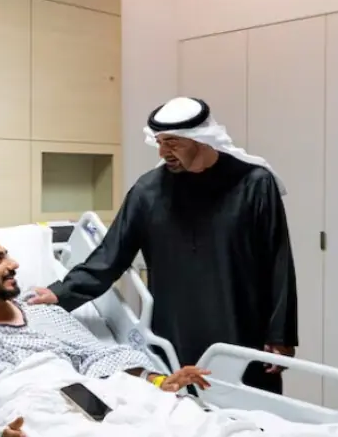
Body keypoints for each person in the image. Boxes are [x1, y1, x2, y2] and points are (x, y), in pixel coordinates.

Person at [29, 96, 298, 394]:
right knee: (184, 406)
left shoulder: (254, 184)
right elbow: (111, 255)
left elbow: (278, 262)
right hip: (176, 327)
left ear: (200, 139)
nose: (162, 152)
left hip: (243, 322)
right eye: (158, 142)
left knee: (255, 409)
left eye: (172, 143)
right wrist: (61, 293)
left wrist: (281, 334)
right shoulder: (148, 191)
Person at [0, 233, 211, 437]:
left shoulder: (43, 313)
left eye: (8, 255)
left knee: (185, 425)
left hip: (90, 393)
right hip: (25, 409)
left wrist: (157, 380)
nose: (13, 264)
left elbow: (98, 356)